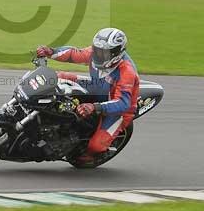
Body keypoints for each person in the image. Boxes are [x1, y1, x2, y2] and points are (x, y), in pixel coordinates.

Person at [36, 27, 139, 164]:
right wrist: (52, 52)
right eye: (97, 50)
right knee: (59, 77)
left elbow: (122, 103)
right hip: (95, 87)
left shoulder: (126, 72)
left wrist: (94, 106)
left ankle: (92, 155)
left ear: (116, 53)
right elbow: (74, 54)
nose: (97, 54)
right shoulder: (95, 52)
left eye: (104, 53)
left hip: (117, 110)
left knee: (95, 146)